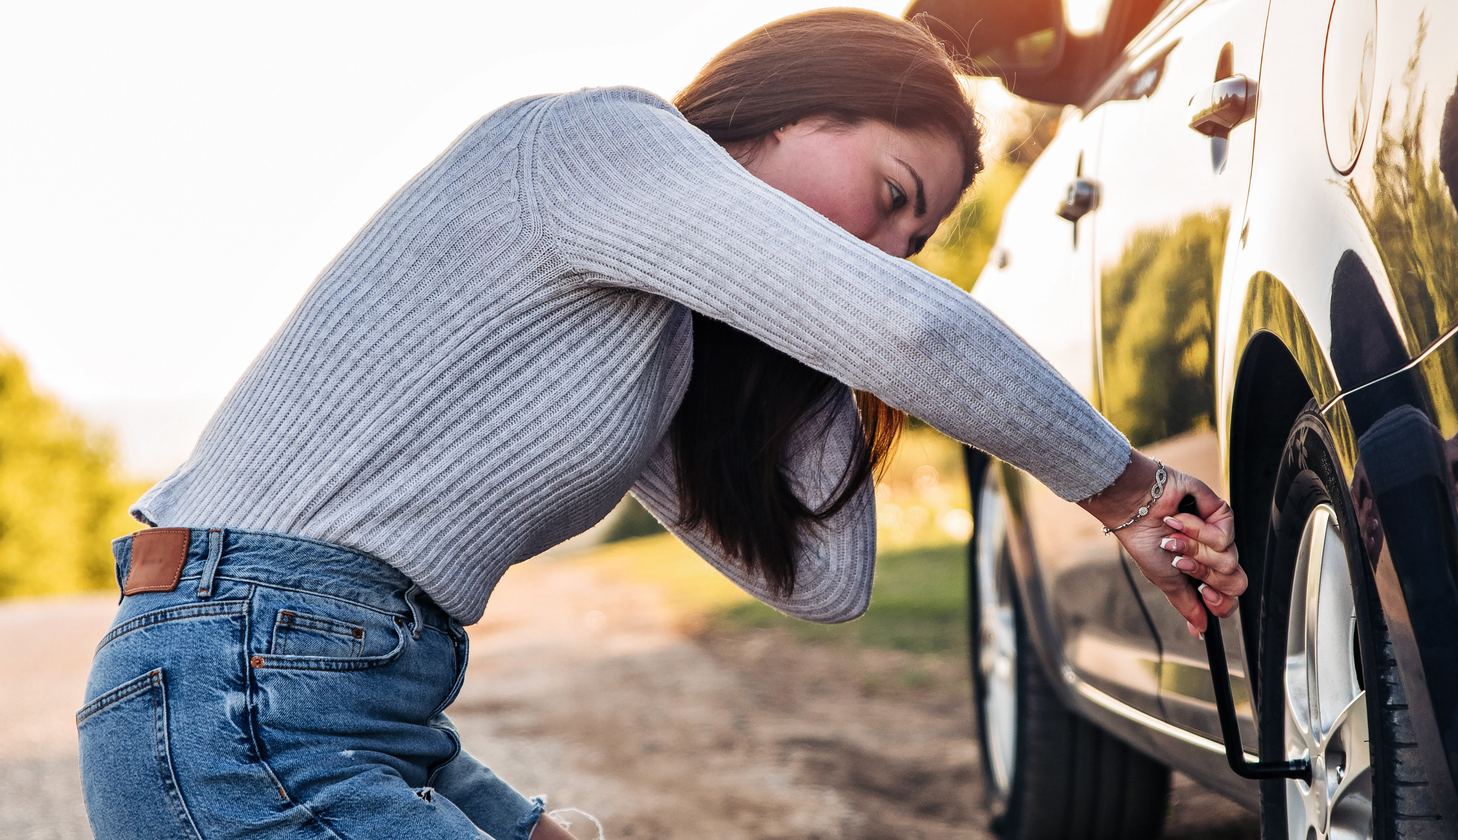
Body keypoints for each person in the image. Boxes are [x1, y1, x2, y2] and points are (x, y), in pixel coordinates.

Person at [77, 9, 1245, 840]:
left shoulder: (652, 344)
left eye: (910, 242)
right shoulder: (595, 142)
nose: (887, 253)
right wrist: (1130, 492)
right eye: (891, 196)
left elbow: (824, 579)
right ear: (789, 107)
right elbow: (916, 333)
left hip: (340, 695)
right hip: (244, 684)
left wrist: (813, 320)